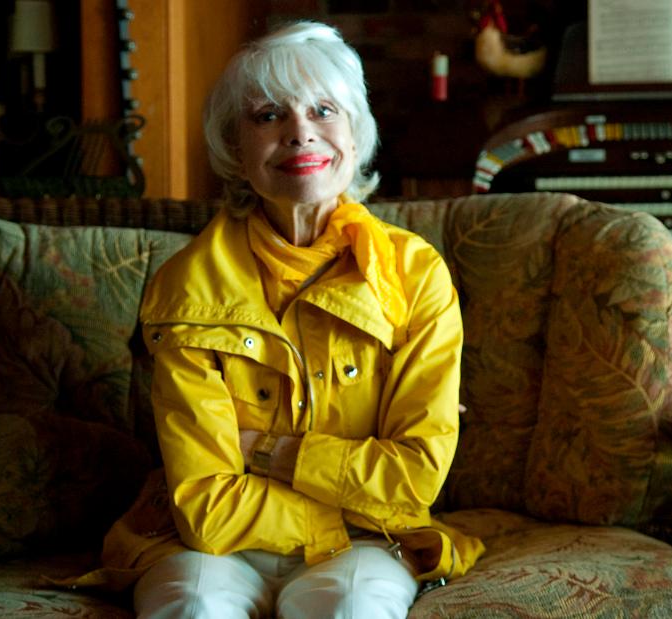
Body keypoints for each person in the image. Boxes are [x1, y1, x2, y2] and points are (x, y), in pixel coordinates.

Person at [96, 20, 484, 619]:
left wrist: (272, 451)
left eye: (324, 110)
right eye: (268, 115)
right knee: (193, 606)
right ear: (235, 145)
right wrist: (349, 500)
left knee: (352, 608)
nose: (302, 134)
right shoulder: (186, 288)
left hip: (365, 548)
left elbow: (412, 482)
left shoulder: (415, 274)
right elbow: (205, 508)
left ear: (355, 133)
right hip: (215, 546)